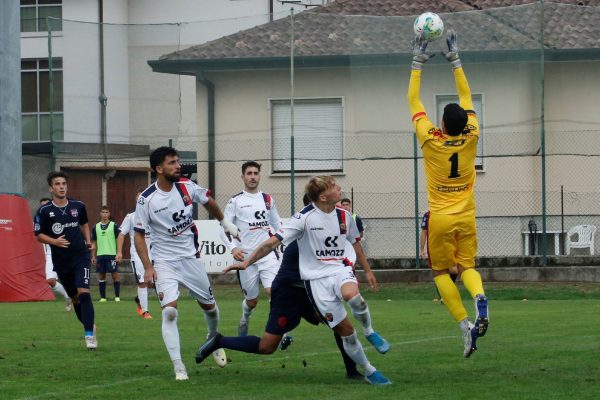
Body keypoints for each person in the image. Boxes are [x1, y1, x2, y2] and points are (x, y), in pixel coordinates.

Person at [203, 176, 391, 385]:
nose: (340, 189)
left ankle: (356, 369)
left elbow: (351, 246)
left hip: (312, 290)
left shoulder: (342, 218)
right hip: (292, 293)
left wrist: (359, 270)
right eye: (333, 187)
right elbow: (273, 249)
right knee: (267, 346)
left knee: (342, 324)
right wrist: (247, 262)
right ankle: (218, 340)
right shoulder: (300, 230)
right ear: (319, 200)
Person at [408, 30, 489, 358]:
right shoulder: (472, 135)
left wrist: (418, 62)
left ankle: (464, 324)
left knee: (441, 272)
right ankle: (480, 297)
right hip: (467, 215)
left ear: (441, 122)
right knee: (467, 266)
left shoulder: (430, 139)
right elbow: (468, 99)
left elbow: (414, 101)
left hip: (440, 218)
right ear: (464, 122)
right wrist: (456, 60)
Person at [134, 146, 239, 381]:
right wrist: (149, 267)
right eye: (172, 162)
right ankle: (179, 366)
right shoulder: (146, 199)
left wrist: (225, 224)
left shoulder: (187, 186)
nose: (178, 166)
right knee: (170, 312)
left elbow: (208, 200)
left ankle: (214, 339)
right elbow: (138, 235)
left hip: (191, 259)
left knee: (210, 307)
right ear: (159, 169)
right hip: (164, 261)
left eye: (178, 161)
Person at [34, 171, 97, 349]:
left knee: (84, 292)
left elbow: (84, 224)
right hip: (61, 261)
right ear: (51, 188)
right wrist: (54, 241)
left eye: (64, 184)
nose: (61, 187)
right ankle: (89, 325)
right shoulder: (44, 211)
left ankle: (89, 335)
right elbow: (38, 235)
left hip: (80, 256)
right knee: (76, 298)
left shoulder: (78, 205)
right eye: (57, 184)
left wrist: (88, 241)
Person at [222, 161, 282, 337]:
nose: (253, 177)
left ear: (260, 176)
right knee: (252, 301)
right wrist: (233, 248)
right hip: (245, 258)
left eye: (256, 173)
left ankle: (279, 333)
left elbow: (278, 225)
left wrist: (277, 242)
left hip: (267, 255)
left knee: (273, 292)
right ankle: (244, 319)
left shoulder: (268, 199)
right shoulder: (235, 201)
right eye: (249, 173)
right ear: (243, 177)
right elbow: (223, 228)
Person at [116, 189, 152, 319]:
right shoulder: (131, 217)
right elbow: (121, 234)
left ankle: (139, 299)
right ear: (137, 200)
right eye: (139, 197)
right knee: (142, 282)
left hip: (153, 254)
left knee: (153, 283)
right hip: (137, 254)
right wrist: (119, 252)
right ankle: (145, 311)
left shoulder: (153, 215)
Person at [39, 197, 72, 311]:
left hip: (64, 252)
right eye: (41, 206)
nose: (43, 207)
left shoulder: (60, 218)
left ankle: (79, 301)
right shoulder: (40, 222)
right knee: (50, 281)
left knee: (71, 279)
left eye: (45, 205)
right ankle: (68, 297)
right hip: (51, 255)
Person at [419, 210, 458, 303]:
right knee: (438, 272)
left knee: (454, 270)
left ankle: (448, 293)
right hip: (434, 248)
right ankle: (443, 297)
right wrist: (422, 250)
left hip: (449, 247)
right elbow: (424, 232)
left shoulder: (450, 212)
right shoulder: (428, 215)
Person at [91, 206, 121, 302]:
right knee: (101, 275)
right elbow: (94, 242)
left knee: (115, 274)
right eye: (103, 212)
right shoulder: (95, 227)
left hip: (112, 254)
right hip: (100, 255)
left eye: (106, 212)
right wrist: (93, 255)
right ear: (100, 214)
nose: (104, 214)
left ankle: (117, 297)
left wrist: (118, 253)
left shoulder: (114, 225)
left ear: (109, 214)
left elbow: (118, 240)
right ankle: (103, 297)